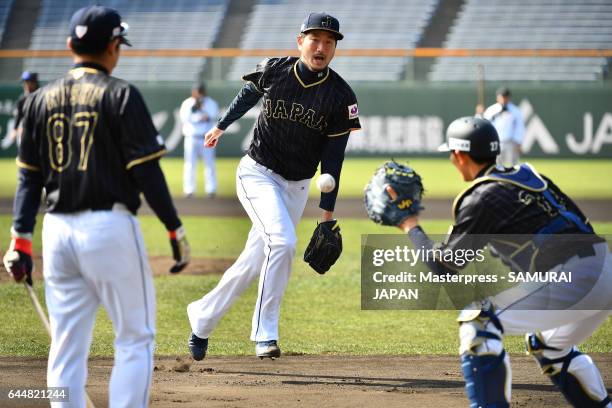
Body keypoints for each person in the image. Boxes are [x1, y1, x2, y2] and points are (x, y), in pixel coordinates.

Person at [2, 6, 190, 408]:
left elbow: (28, 179)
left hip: (56, 233)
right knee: (135, 337)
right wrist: (173, 227)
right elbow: (147, 174)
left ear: (70, 45)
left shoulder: (37, 102)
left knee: (67, 344)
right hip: (109, 228)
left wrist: (20, 239)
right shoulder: (120, 94)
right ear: (113, 47)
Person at [378, 116, 610, 407]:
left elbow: (445, 267)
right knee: (550, 347)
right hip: (603, 268)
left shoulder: (481, 197)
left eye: (451, 153)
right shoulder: (530, 175)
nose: (451, 159)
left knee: (478, 322)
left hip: (578, 276)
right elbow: (578, 222)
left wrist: (408, 223)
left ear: (461, 155)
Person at [187, 12, 361, 360]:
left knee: (254, 262)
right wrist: (221, 126)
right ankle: (265, 333)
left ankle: (202, 318)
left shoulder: (341, 96)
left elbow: (333, 161)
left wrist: (327, 215)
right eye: (315, 39)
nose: (322, 47)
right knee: (282, 243)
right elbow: (247, 96)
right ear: (300, 41)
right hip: (258, 174)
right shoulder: (276, 69)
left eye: (329, 41)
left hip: (297, 187)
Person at [179, 83, 219, 198]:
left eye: (200, 91)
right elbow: (184, 118)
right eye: (197, 91)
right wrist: (194, 110)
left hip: (206, 138)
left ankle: (211, 189)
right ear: (193, 92)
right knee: (189, 164)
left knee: (209, 164)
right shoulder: (187, 103)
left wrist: (202, 109)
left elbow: (212, 116)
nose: (198, 94)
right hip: (191, 137)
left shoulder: (210, 103)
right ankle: (189, 190)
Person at [482, 87, 525, 166]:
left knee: (514, 165)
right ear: (497, 98)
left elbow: (519, 127)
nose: (504, 99)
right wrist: (479, 114)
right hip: (496, 141)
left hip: (511, 141)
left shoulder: (515, 111)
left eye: (505, 97)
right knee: (496, 164)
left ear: (509, 98)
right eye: (501, 97)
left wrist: (518, 142)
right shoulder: (491, 110)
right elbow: (484, 124)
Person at [2, 71, 40, 149]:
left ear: (34, 82)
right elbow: (18, 116)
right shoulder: (22, 99)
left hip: (40, 132)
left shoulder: (41, 96)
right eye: (24, 82)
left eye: (27, 82)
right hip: (26, 133)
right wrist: (15, 129)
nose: (25, 85)